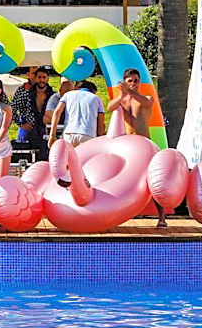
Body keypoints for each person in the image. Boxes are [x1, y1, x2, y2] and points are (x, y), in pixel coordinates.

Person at [106, 68, 167, 228]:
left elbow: (147, 103)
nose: (133, 83)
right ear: (125, 82)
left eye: (136, 81)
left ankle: (162, 217)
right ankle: (117, 214)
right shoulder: (123, 100)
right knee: (122, 179)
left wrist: (129, 92)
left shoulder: (146, 98)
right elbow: (109, 108)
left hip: (145, 144)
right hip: (130, 147)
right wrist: (121, 95)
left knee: (154, 180)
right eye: (130, 81)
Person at [11, 67, 53, 161]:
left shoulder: (52, 95)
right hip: (29, 132)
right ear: (35, 78)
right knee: (28, 159)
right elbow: (12, 108)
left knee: (46, 158)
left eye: (44, 77)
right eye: (39, 77)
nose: (41, 80)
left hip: (47, 132)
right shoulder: (25, 93)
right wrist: (21, 124)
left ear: (47, 79)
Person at [48, 80, 105, 147]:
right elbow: (101, 124)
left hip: (68, 134)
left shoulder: (67, 95)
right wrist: (100, 139)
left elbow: (57, 112)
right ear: (93, 91)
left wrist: (52, 135)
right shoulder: (97, 98)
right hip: (88, 135)